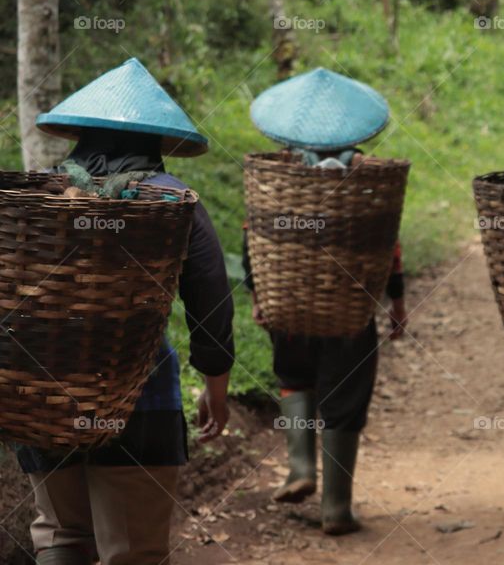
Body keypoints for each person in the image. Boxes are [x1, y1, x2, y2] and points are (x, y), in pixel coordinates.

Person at [14, 58, 235, 565]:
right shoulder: (173, 199)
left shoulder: (35, 197)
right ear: (156, 141)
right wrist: (216, 388)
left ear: (82, 134)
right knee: (134, 551)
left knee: (61, 539)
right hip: (141, 398)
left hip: (41, 394)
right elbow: (210, 301)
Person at [242, 68, 406, 535]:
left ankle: (300, 469)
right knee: (345, 397)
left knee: (295, 377)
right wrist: (396, 302)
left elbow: (255, 237)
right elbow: (386, 244)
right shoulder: (367, 180)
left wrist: (258, 295)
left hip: (288, 304)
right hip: (348, 312)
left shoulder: (279, 177)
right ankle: (336, 508)